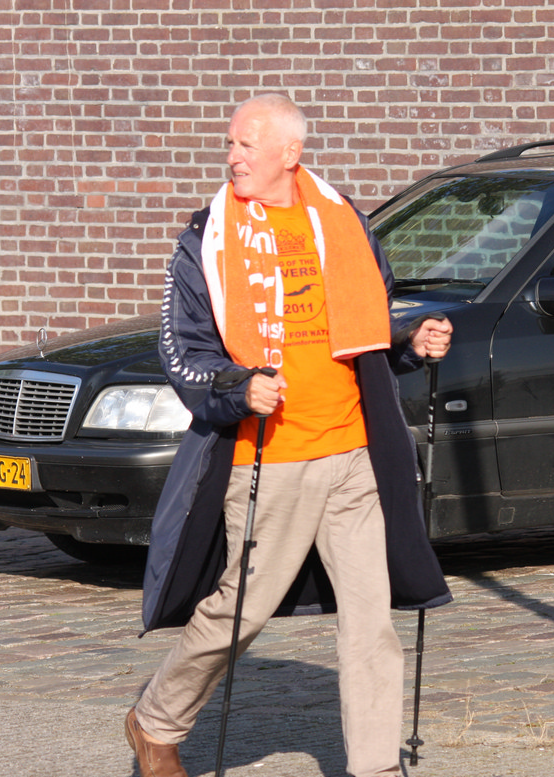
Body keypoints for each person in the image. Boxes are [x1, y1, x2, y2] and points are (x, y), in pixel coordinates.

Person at [126, 92, 455, 777]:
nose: (232, 156)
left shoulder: (342, 222)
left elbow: (365, 329)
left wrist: (409, 341)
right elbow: (182, 353)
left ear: (289, 153)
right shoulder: (206, 241)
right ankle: (156, 719)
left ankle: (375, 766)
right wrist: (238, 388)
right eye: (231, 144)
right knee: (241, 610)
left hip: (352, 454)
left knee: (371, 619)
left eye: (245, 144)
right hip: (268, 459)